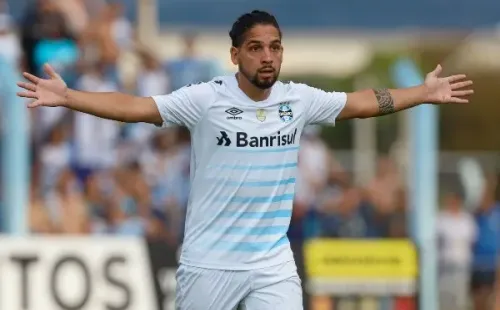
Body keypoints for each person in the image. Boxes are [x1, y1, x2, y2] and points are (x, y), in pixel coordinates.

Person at [16, 10, 474, 310]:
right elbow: (136, 106)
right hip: (208, 264)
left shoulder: (300, 100)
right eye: (256, 47)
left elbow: (361, 101)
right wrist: (71, 97)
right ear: (236, 55)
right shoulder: (205, 99)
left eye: (275, 46)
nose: (267, 55)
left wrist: (424, 92)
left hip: (271, 263)